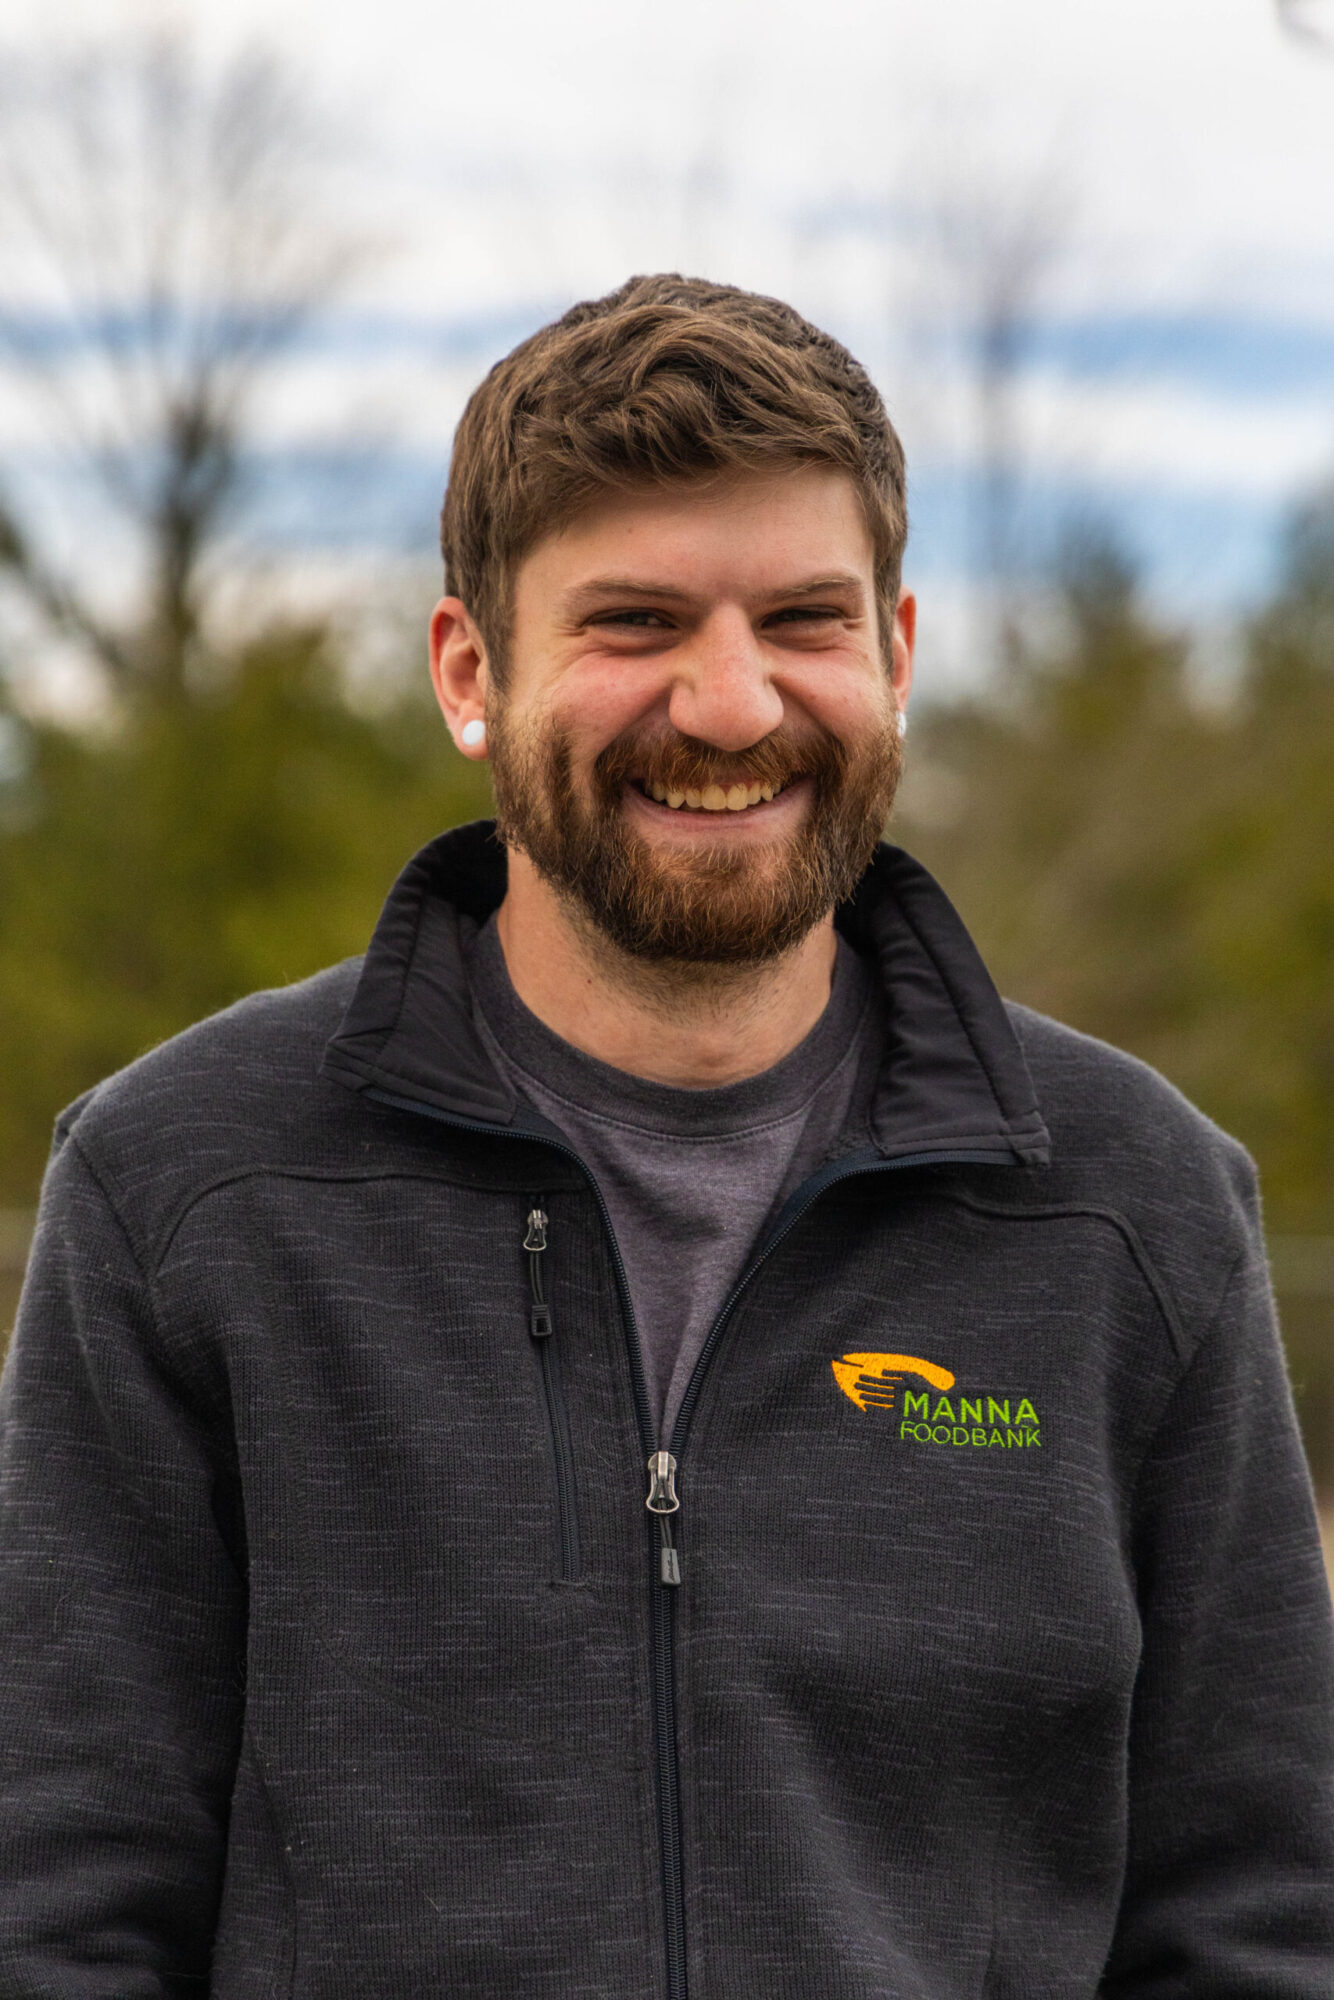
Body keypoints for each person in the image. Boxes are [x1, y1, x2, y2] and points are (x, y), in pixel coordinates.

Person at [0, 273, 1330, 1999]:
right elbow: (58, 1912)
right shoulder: (185, 1191)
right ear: (471, 671)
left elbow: (1259, 1920)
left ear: (895, 656)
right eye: (633, 623)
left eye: (801, 619)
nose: (729, 704)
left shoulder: (1130, 1209)